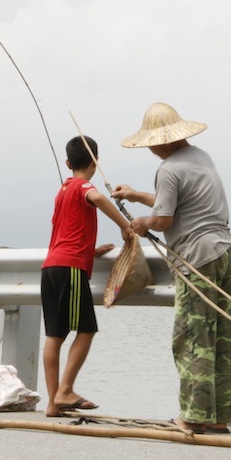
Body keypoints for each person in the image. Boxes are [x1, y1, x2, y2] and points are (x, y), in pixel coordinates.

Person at [112, 103, 231, 434]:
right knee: (222, 338)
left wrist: (141, 223)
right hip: (225, 250)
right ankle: (220, 416)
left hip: (197, 257)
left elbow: (165, 218)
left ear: (161, 141)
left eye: (151, 143)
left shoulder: (168, 168)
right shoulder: (200, 157)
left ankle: (194, 416)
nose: (150, 149)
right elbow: (178, 202)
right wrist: (137, 195)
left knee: (193, 338)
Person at [41, 135, 133, 417]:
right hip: (70, 269)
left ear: (67, 162)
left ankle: (53, 402)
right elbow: (98, 199)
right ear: (96, 161)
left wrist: (89, 252)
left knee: (55, 334)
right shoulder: (83, 186)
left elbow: (63, 233)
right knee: (87, 328)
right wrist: (126, 226)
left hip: (51, 267)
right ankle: (66, 390)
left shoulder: (63, 190)